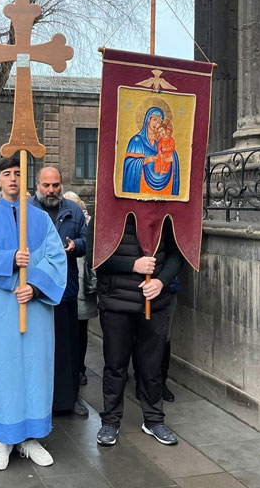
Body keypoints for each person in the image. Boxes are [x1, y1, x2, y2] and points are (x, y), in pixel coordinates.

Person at [0, 158, 67, 471]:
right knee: (4, 370)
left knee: (36, 370)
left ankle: (31, 438)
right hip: (1, 311)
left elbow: (56, 257)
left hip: (35, 311)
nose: (13, 179)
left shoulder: (41, 219)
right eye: (7, 174)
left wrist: (34, 287)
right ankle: (5, 438)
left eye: (19, 174)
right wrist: (10, 260)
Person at [86, 213, 183, 447]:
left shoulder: (165, 213)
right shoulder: (105, 211)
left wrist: (161, 281)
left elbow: (177, 252)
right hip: (116, 302)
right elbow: (94, 257)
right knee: (115, 365)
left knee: (152, 366)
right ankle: (110, 421)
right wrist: (133, 265)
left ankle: (154, 420)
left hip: (154, 301)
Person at [31, 168, 88, 417]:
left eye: (55, 185)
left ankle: (70, 399)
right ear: (38, 185)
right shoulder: (27, 210)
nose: (51, 190)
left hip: (66, 289)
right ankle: (39, 402)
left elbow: (88, 240)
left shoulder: (73, 210)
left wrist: (76, 245)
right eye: (46, 185)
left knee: (67, 348)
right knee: (38, 350)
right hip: (36, 291)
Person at [63, 191, 97, 387]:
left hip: (83, 286)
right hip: (67, 285)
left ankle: (80, 368)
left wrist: (76, 245)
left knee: (80, 332)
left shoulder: (87, 224)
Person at [122, 107, 179, 196]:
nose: (157, 124)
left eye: (159, 122)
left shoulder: (158, 143)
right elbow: (129, 163)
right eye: (154, 120)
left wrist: (173, 159)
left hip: (163, 190)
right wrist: (147, 160)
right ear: (148, 120)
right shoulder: (137, 140)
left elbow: (168, 154)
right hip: (141, 186)